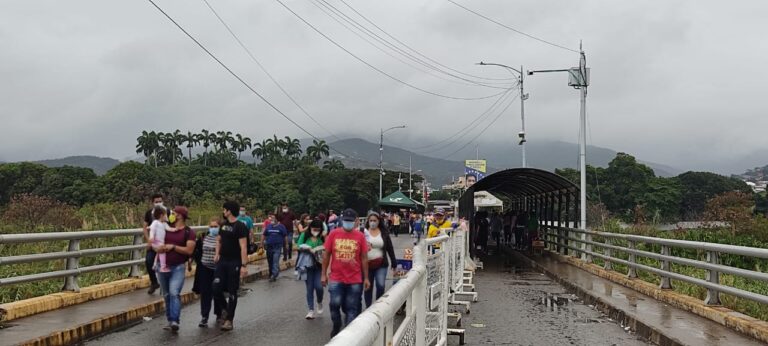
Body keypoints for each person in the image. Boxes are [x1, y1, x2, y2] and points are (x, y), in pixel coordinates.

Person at [321, 208, 370, 338]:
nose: (348, 223)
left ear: (355, 222)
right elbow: (326, 255)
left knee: (352, 307)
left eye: (350, 221)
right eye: (346, 221)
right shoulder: (334, 234)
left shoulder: (360, 236)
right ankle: (336, 325)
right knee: (335, 303)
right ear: (342, 220)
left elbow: (364, 258)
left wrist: (366, 278)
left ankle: (348, 337)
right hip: (337, 277)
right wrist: (323, 274)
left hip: (355, 278)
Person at [155, 206, 196, 332]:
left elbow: (189, 250)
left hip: (178, 267)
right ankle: (170, 320)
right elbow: (155, 243)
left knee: (174, 292)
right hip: (162, 265)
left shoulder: (189, 232)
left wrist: (173, 247)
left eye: (173, 213)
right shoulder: (165, 228)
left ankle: (175, 320)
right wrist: (158, 247)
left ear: (180, 216)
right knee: (166, 294)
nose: (170, 215)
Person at [213, 201, 249, 331]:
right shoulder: (223, 225)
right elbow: (219, 240)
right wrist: (217, 253)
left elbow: (243, 246)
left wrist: (244, 265)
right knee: (216, 288)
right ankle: (225, 310)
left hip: (234, 261)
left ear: (229, 211)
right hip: (222, 261)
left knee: (232, 290)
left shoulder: (240, 226)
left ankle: (229, 320)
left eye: (224, 209)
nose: (223, 212)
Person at [191, 218, 222, 328]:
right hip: (205, 268)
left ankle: (219, 314)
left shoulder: (222, 238)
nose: (213, 228)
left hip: (218, 269)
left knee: (217, 291)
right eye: (211, 226)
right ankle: (204, 317)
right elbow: (196, 251)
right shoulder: (203, 238)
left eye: (215, 226)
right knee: (205, 292)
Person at [363, 212, 397, 308]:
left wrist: (394, 263)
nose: (373, 222)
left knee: (381, 285)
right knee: (368, 287)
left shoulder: (384, 232)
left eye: (375, 220)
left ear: (379, 221)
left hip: (381, 264)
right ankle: (368, 308)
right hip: (367, 265)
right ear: (368, 221)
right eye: (371, 221)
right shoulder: (363, 232)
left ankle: (378, 306)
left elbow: (390, 248)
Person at [297, 219, 325, 319]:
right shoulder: (305, 235)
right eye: (314, 229)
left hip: (319, 265)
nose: (316, 231)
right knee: (309, 288)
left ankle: (319, 301)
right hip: (307, 265)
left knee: (319, 287)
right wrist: (307, 248)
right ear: (310, 228)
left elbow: (327, 247)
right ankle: (311, 310)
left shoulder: (322, 236)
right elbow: (298, 245)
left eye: (318, 229)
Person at [143, 193, 165, 294]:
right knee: (148, 261)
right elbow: (145, 227)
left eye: (160, 201)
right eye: (156, 202)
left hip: (164, 243)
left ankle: (166, 284)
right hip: (153, 243)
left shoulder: (167, 212)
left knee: (165, 264)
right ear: (153, 203)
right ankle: (154, 282)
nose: (158, 203)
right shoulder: (149, 213)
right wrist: (148, 241)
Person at [149, 206, 177, 272]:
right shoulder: (155, 222)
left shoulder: (164, 224)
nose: (166, 217)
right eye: (165, 215)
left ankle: (155, 265)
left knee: (159, 253)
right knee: (162, 252)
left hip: (160, 242)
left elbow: (169, 229)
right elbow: (152, 230)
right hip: (156, 241)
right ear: (161, 215)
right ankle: (163, 267)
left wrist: (175, 229)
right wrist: (151, 237)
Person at [262, 214, 288, 282]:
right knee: (270, 261)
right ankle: (271, 273)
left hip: (277, 247)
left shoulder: (281, 227)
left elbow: (285, 236)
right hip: (269, 247)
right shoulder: (268, 226)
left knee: (275, 261)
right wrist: (261, 243)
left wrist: (287, 244)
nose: (271, 219)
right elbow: (264, 235)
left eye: (273, 218)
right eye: (271, 218)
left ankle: (274, 275)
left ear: (277, 219)